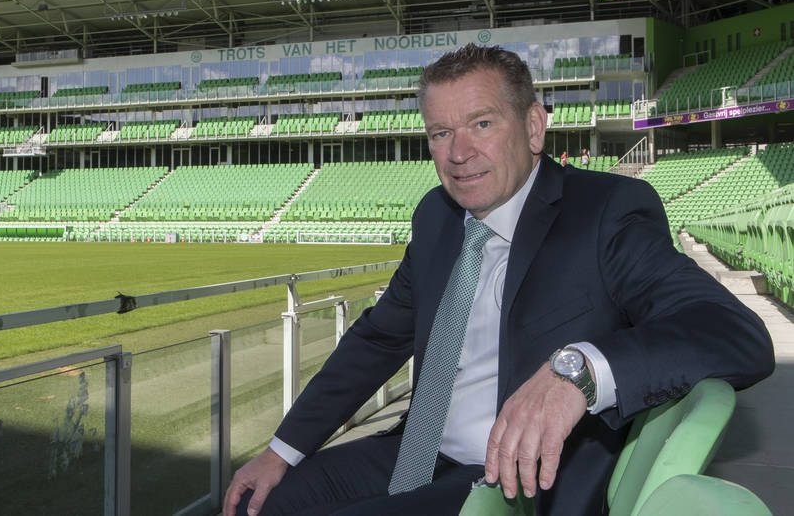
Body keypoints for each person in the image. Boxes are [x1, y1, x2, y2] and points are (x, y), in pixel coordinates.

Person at [224, 44, 774, 516]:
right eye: (441, 132)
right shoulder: (436, 217)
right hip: (415, 454)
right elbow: (377, 338)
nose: (459, 154)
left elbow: (733, 332)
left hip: (512, 486)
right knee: (261, 503)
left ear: (534, 127)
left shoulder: (604, 212)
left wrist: (579, 372)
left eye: (481, 124)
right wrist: (281, 450)